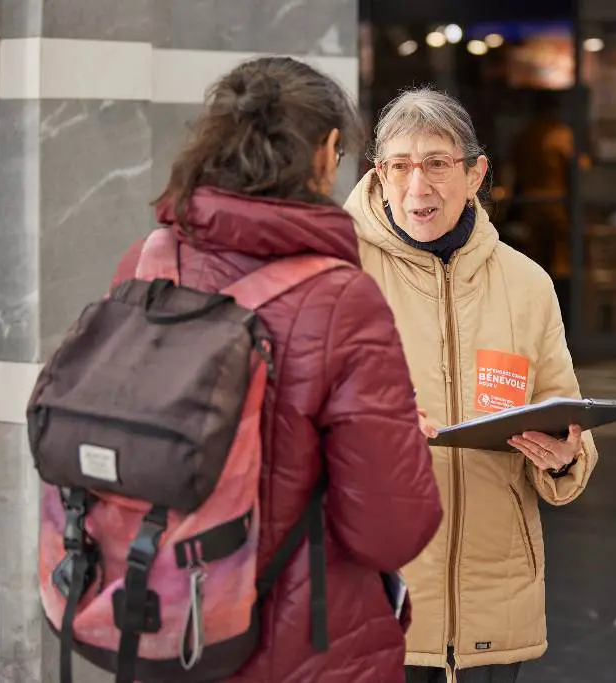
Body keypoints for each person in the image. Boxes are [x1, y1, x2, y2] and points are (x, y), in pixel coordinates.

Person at [110, 57, 443, 683]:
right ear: (323, 153)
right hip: (301, 645)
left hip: (161, 612)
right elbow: (392, 529)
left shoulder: (147, 261)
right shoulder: (340, 298)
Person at [345, 87, 599, 683]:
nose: (417, 186)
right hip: (380, 594)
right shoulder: (341, 272)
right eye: (399, 166)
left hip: (497, 597)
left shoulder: (527, 284)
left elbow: (565, 412)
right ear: (377, 174)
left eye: (436, 164)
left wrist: (566, 457)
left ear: (475, 172)